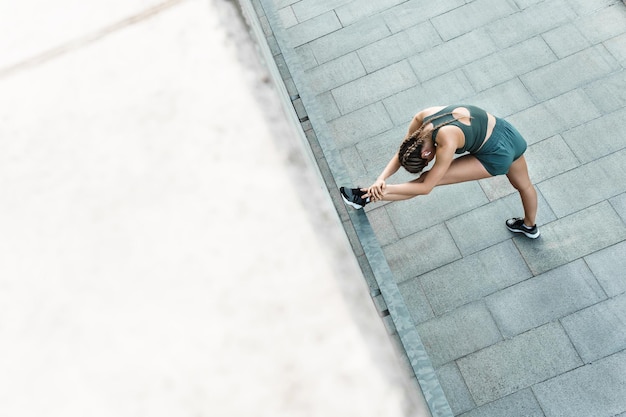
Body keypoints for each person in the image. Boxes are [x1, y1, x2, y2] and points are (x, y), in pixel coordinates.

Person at [340, 104, 540, 238]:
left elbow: (426, 187)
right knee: (525, 186)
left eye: (426, 162)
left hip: (495, 155)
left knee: (427, 179)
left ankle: (363, 197)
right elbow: (403, 152)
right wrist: (380, 179)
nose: (429, 163)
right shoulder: (423, 119)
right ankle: (529, 226)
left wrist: (385, 187)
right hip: (508, 133)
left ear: (427, 153)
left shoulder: (446, 140)